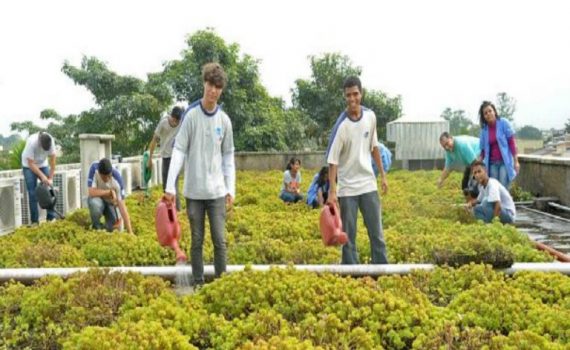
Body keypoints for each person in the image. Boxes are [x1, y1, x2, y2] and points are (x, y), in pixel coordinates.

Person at [164, 62, 235, 287]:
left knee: (220, 240)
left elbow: (228, 157)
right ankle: (198, 283)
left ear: (221, 89)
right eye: (210, 85)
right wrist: (170, 186)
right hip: (194, 192)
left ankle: (222, 284)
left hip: (216, 192)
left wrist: (230, 189)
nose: (213, 91)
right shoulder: (191, 116)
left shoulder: (224, 120)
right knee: (196, 240)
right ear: (203, 84)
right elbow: (179, 150)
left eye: (217, 87)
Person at [326, 76, 389, 264]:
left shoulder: (370, 117)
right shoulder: (341, 126)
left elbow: (374, 146)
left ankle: (382, 273)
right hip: (348, 189)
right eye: (348, 95)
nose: (352, 99)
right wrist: (332, 192)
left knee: (376, 234)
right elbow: (332, 161)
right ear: (344, 97)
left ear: (361, 93)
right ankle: (351, 275)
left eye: (355, 94)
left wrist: (383, 176)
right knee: (348, 237)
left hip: (368, 184)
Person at [147, 106, 183, 210]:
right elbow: (154, 140)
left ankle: (177, 211)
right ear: (171, 116)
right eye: (174, 120)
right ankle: (168, 210)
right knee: (166, 186)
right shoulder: (163, 123)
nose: (175, 123)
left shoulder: (182, 123)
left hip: (176, 156)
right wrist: (150, 158)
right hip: (165, 157)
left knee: (173, 184)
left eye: (177, 121)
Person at [478, 101, 519, 189]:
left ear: (494, 111)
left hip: (504, 162)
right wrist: (477, 163)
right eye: (485, 113)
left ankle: (505, 203)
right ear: (484, 117)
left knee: (503, 187)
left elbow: (511, 142)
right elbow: (483, 151)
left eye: (490, 111)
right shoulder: (484, 130)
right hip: (492, 164)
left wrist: (516, 161)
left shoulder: (503, 123)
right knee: (494, 188)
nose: (488, 114)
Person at [87, 158, 133, 233]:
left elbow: (122, 206)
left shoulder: (117, 178)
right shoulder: (94, 168)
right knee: (95, 204)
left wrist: (130, 232)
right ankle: (96, 227)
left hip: (110, 203)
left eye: (109, 176)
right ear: (99, 173)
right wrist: (109, 192)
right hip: (98, 200)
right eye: (104, 177)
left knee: (116, 229)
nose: (107, 179)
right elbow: (91, 192)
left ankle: (105, 228)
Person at [21, 131, 57, 224]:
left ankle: (51, 218)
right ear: (40, 143)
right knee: (32, 193)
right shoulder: (32, 142)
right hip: (28, 166)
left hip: (43, 164)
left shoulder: (50, 140)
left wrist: (50, 178)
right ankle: (35, 222)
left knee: (50, 190)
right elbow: (31, 164)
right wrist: (43, 177)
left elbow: (53, 162)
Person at [437, 132, 481, 199]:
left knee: (473, 185)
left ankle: (476, 204)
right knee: (465, 185)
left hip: (480, 154)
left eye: (447, 143)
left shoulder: (462, 144)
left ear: (451, 138)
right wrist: (441, 179)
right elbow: (447, 168)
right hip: (471, 162)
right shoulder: (448, 151)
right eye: (444, 146)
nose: (446, 147)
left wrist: (472, 177)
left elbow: (475, 163)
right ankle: (469, 204)